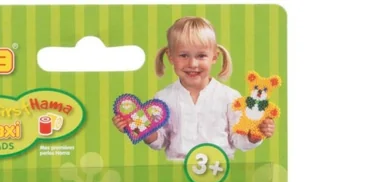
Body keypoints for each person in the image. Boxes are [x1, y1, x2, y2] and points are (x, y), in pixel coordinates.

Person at [112, 16, 275, 161]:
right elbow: (159, 141)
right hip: (177, 172)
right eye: (184, 55)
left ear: (214, 57)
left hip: (219, 171)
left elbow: (239, 140)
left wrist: (255, 134)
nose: (192, 64)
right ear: (170, 57)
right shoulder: (163, 98)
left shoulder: (229, 97)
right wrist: (139, 128)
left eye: (201, 56)